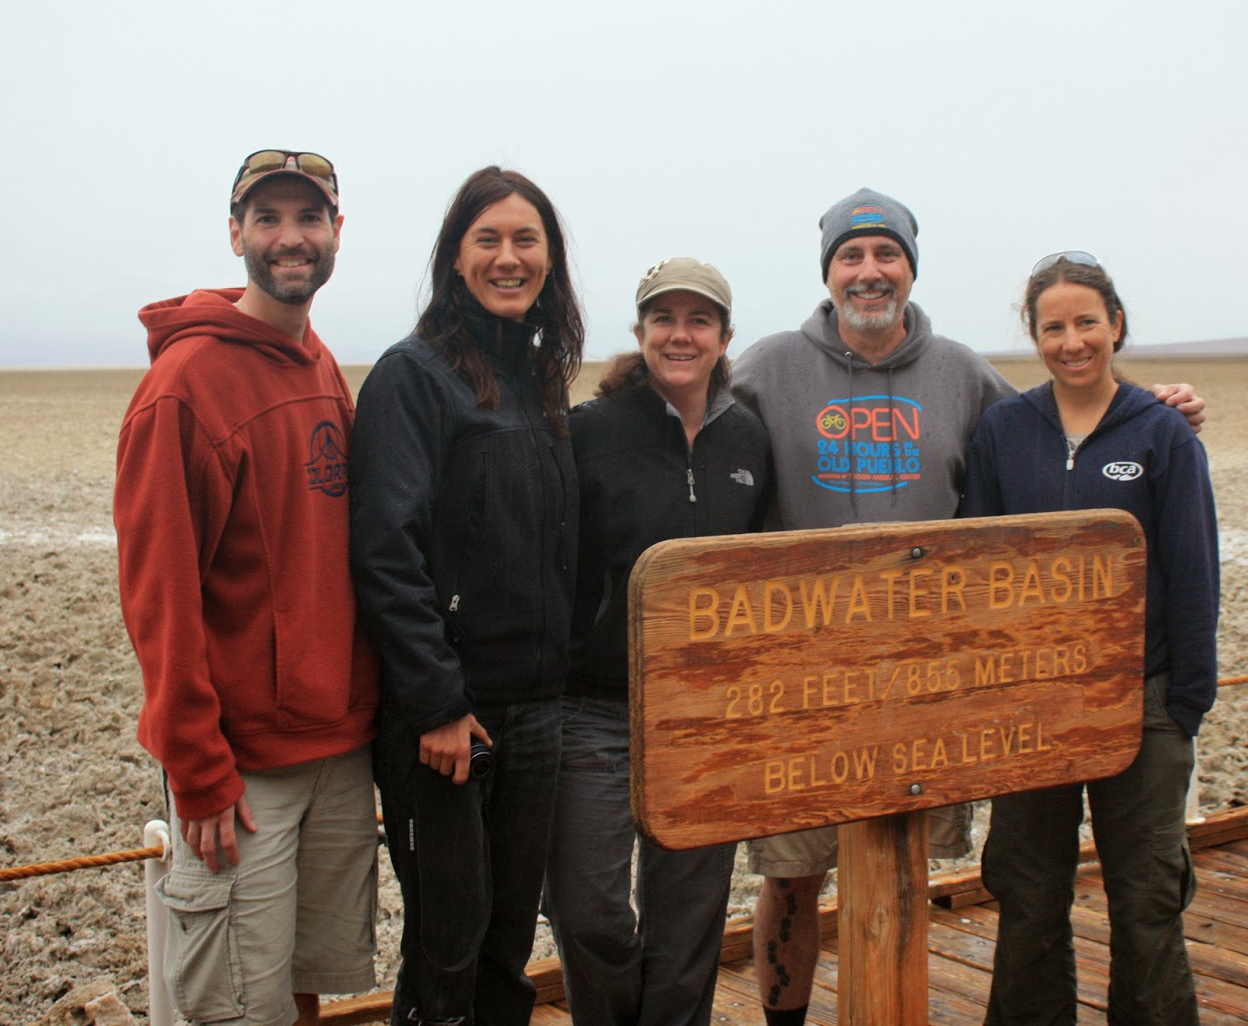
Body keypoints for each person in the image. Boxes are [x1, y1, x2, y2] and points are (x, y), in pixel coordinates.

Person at [729, 190, 1208, 1025]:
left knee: (912, 864)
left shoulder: (962, 374)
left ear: (911, 268)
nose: (870, 271)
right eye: (851, 255)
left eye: (887, 253)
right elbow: (694, 433)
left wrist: (1161, 407)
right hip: (809, 683)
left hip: (944, 686)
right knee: (796, 873)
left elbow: (1073, 425)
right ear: (829, 271)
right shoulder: (768, 367)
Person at [116, 149, 379, 1026]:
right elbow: (158, 593)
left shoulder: (316, 360)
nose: (290, 237)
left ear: (337, 232)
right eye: (268, 218)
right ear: (236, 235)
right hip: (242, 770)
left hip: (336, 747)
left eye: (309, 218)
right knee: (234, 1004)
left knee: (301, 989)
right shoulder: (184, 387)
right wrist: (196, 766)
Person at [349, 166, 584, 1025]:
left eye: (526, 240)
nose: (508, 257)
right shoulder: (413, 377)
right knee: (445, 954)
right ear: (455, 256)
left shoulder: (538, 379)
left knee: (505, 950)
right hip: (449, 723)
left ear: (550, 260)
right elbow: (386, 551)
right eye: (488, 239)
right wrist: (438, 704)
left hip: (536, 713)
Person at [963, 251, 1219, 1025]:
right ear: (1034, 336)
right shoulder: (1004, 430)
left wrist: (1185, 705)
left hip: (1142, 702)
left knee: (1146, 899)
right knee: (1028, 892)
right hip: (1032, 706)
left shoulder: (1163, 433)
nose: (1071, 342)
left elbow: (1193, 572)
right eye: (1053, 328)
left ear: (1116, 325)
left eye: (1086, 323)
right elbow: (977, 569)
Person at [543, 257, 774, 1026]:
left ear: (724, 338)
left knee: (687, 923)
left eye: (698, 320)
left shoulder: (748, 441)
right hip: (596, 711)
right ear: (640, 332)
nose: (681, 335)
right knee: (589, 912)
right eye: (664, 319)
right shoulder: (588, 431)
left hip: (705, 714)